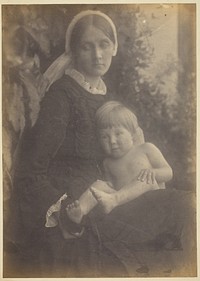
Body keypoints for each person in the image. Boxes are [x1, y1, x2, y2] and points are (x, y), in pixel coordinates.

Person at [10, 10, 195, 278]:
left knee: (187, 205)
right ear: (74, 51)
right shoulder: (61, 97)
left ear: (114, 47)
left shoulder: (102, 97)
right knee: (184, 208)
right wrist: (66, 211)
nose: (98, 55)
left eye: (104, 44)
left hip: (111, 196)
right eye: (87, 46)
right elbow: (31, 172)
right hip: (80, 204)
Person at [63, 100, 173, 227]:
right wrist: (108, 187)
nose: (112, 141)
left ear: (132, 134)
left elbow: (168, 172)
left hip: (152, 201)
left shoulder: (146, 149)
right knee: (100, 184)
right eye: (105, 137)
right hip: (126, 203)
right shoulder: (108, 163)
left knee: (146, 179)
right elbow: (113, 185)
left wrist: (154, 172)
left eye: (118, 133)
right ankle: (80, 211)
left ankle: (114, 200)